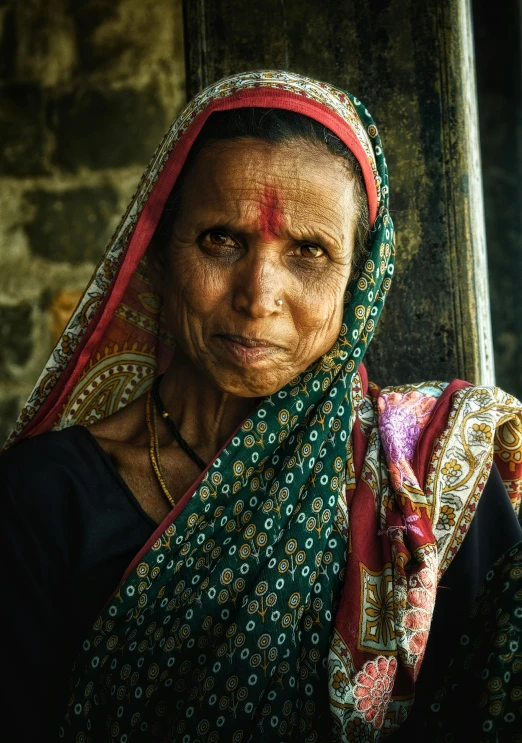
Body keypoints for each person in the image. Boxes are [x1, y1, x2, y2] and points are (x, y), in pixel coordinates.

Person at [1, 71, 521, 743]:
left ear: (360, 284)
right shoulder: (41, 499)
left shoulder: (429, 484)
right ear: (157, 252)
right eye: (221, 239)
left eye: (309, 251)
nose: (258, 294)